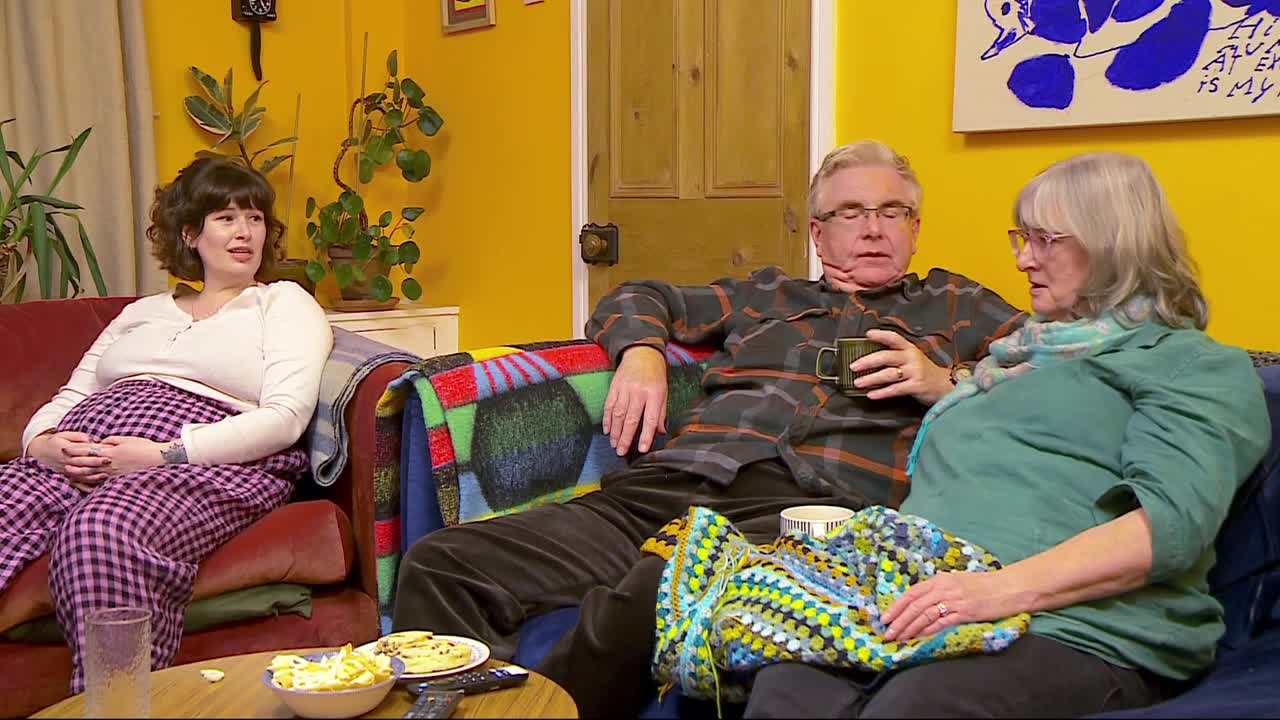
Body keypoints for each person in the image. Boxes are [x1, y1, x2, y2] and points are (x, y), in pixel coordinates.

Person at [390, 140, 1026, 716]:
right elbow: (640, 295)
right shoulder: (767, 295)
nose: (873, 228)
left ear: (915, 228)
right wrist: (641, 353)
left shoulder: (955, 305)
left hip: (800, 514)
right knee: (442, 563)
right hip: (664, 488)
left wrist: (945, 382)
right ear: (817, 233)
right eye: (851, 213)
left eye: (892, 212)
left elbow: (1056, 368)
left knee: (656, 591)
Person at [741, 152, 1271, 718]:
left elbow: (1169, 526)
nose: (1022, 260)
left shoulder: (1187, 364)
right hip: (918, 605)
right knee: (787, 688)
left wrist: (993, 591)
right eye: (1022, 238)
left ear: (1112, 244)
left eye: (1045, 241)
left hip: (1071, 626)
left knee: (917, 708)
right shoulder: (1010, 361)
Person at [0, 157, 333, 692]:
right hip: (83, 453)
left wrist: (163, 454)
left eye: (255, 218)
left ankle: (119, 703)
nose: (245, 232)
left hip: (204, 461)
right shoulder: (142, 312)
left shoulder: (282, 303)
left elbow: (285, 417)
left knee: (101, 532)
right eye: (226, 218)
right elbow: (72, 395)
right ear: (190, 233)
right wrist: (43, 445)